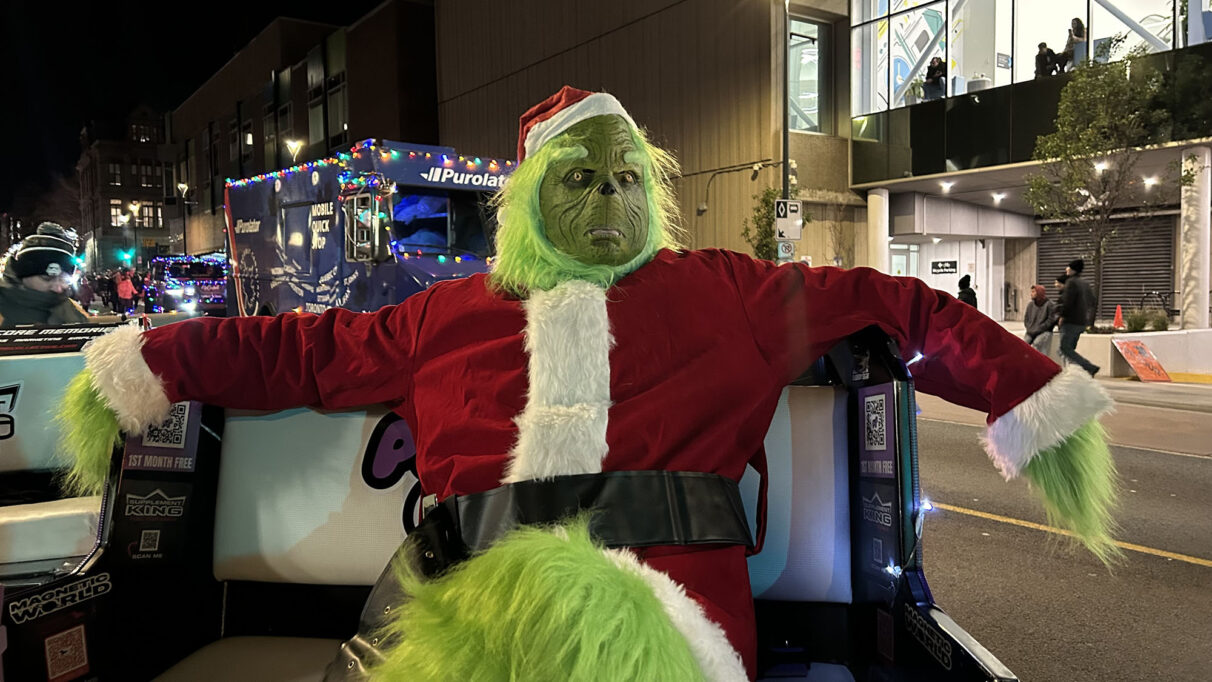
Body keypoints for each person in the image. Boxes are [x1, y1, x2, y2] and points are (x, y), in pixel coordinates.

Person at [61, 86, 1116, 681]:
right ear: (528, 198)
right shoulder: (448, 315)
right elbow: (301, 352)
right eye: (581, 177)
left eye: (625, 176)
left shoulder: (730, 293)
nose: (611, 196)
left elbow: (902, 304)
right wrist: (152, 358)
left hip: (666, 628)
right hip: (468, 612)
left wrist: (1031, 390)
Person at [0, 222, 89, 328]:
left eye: (64, 280)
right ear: (22, 275)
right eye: (46, 278)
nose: (58, 289)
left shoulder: (71, 309)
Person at [1058, 258, 1099, 376]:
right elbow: (1092, 301)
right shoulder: (1085, 283)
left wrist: (1062, 316)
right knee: (1069, 349)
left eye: (1068, 267)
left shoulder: (1071, 283)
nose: (1066, 269)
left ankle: (1089, 367)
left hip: (1071, 321)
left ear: (1073, 270)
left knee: (1065, 348)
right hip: (1081, 322)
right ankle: (1073, 372)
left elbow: (1067, 303)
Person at [1024, 284, 1058, 353]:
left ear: (1039, 293)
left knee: (1037, 343)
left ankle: (1038, 362)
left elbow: (1051, 320)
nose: (1031, 294)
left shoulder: (1049, 304)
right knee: (1023, 344)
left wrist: (1040, 328)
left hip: (1044, 331)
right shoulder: (1030, 305)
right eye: (1031, 292)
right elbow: (1026, 318)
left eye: (1033, 292)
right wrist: (1029, 327)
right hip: (1031, 331)